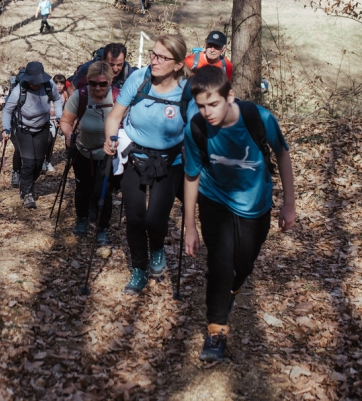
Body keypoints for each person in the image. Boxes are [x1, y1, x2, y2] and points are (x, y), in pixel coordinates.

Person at [183, 66, 296, 363]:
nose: (207, 112)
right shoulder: (195, 128)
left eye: (213, 104)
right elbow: (192, 176)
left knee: (243, 264)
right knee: (220, 265)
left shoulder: (258, 118)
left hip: (255, 204)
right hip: (214, 200)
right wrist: (190, 226)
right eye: (201, 105)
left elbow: (282, 153)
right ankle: (216, 329)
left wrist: (289, 204)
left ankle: (231, 290)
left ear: (229, 96)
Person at [103, 34, 194, 294]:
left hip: (170, 160)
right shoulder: (139, 79)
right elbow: (115, 116)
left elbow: (196, 128)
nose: (153, 61)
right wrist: (109, 139)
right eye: (153, 54)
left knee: (155, 219)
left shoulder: (187, 90)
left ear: (177, 64)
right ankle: (139, 270)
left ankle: (157, 248)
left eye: (161, 57)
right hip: (134, 155)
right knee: (134, 216)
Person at [60, 62, 117, 237]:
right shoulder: (80, 96)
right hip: (83, 151)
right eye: (93, 83)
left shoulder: (117, 98)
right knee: (82, 188)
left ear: (110, 80)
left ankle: (102, 228)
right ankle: (82, 219)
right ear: (87, 81)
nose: (98, 87)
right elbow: (65, 121)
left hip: (108, 153)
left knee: (104, 192)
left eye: (102, 83)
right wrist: (69, 135)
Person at [2, 61, 62, 209]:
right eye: (34, 82)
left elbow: (58, 99)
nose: (37, 84)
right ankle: (27, 193)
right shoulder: (19, 90)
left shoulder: (49, 86)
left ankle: (27, 182)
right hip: (24, 130)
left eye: (39, 81)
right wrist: (6, 128)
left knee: (38, 163)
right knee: (28, 163)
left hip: (42, 128)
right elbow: (7, 110)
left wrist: (60, 116)